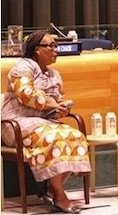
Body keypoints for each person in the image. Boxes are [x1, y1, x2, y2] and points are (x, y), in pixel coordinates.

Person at [1, 31, 92, 213]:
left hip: (43, 123)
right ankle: (60, 195)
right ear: (36, 50)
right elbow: (27, 95)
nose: (55, 50)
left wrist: (63, 108)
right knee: (53, 137)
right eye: (50, 46)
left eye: (55, 45)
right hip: (16, 124)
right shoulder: (21, 69)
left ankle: (52, 188)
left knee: (74, 135)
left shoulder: (54, 75)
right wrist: (52, 104)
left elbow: (56, 103)